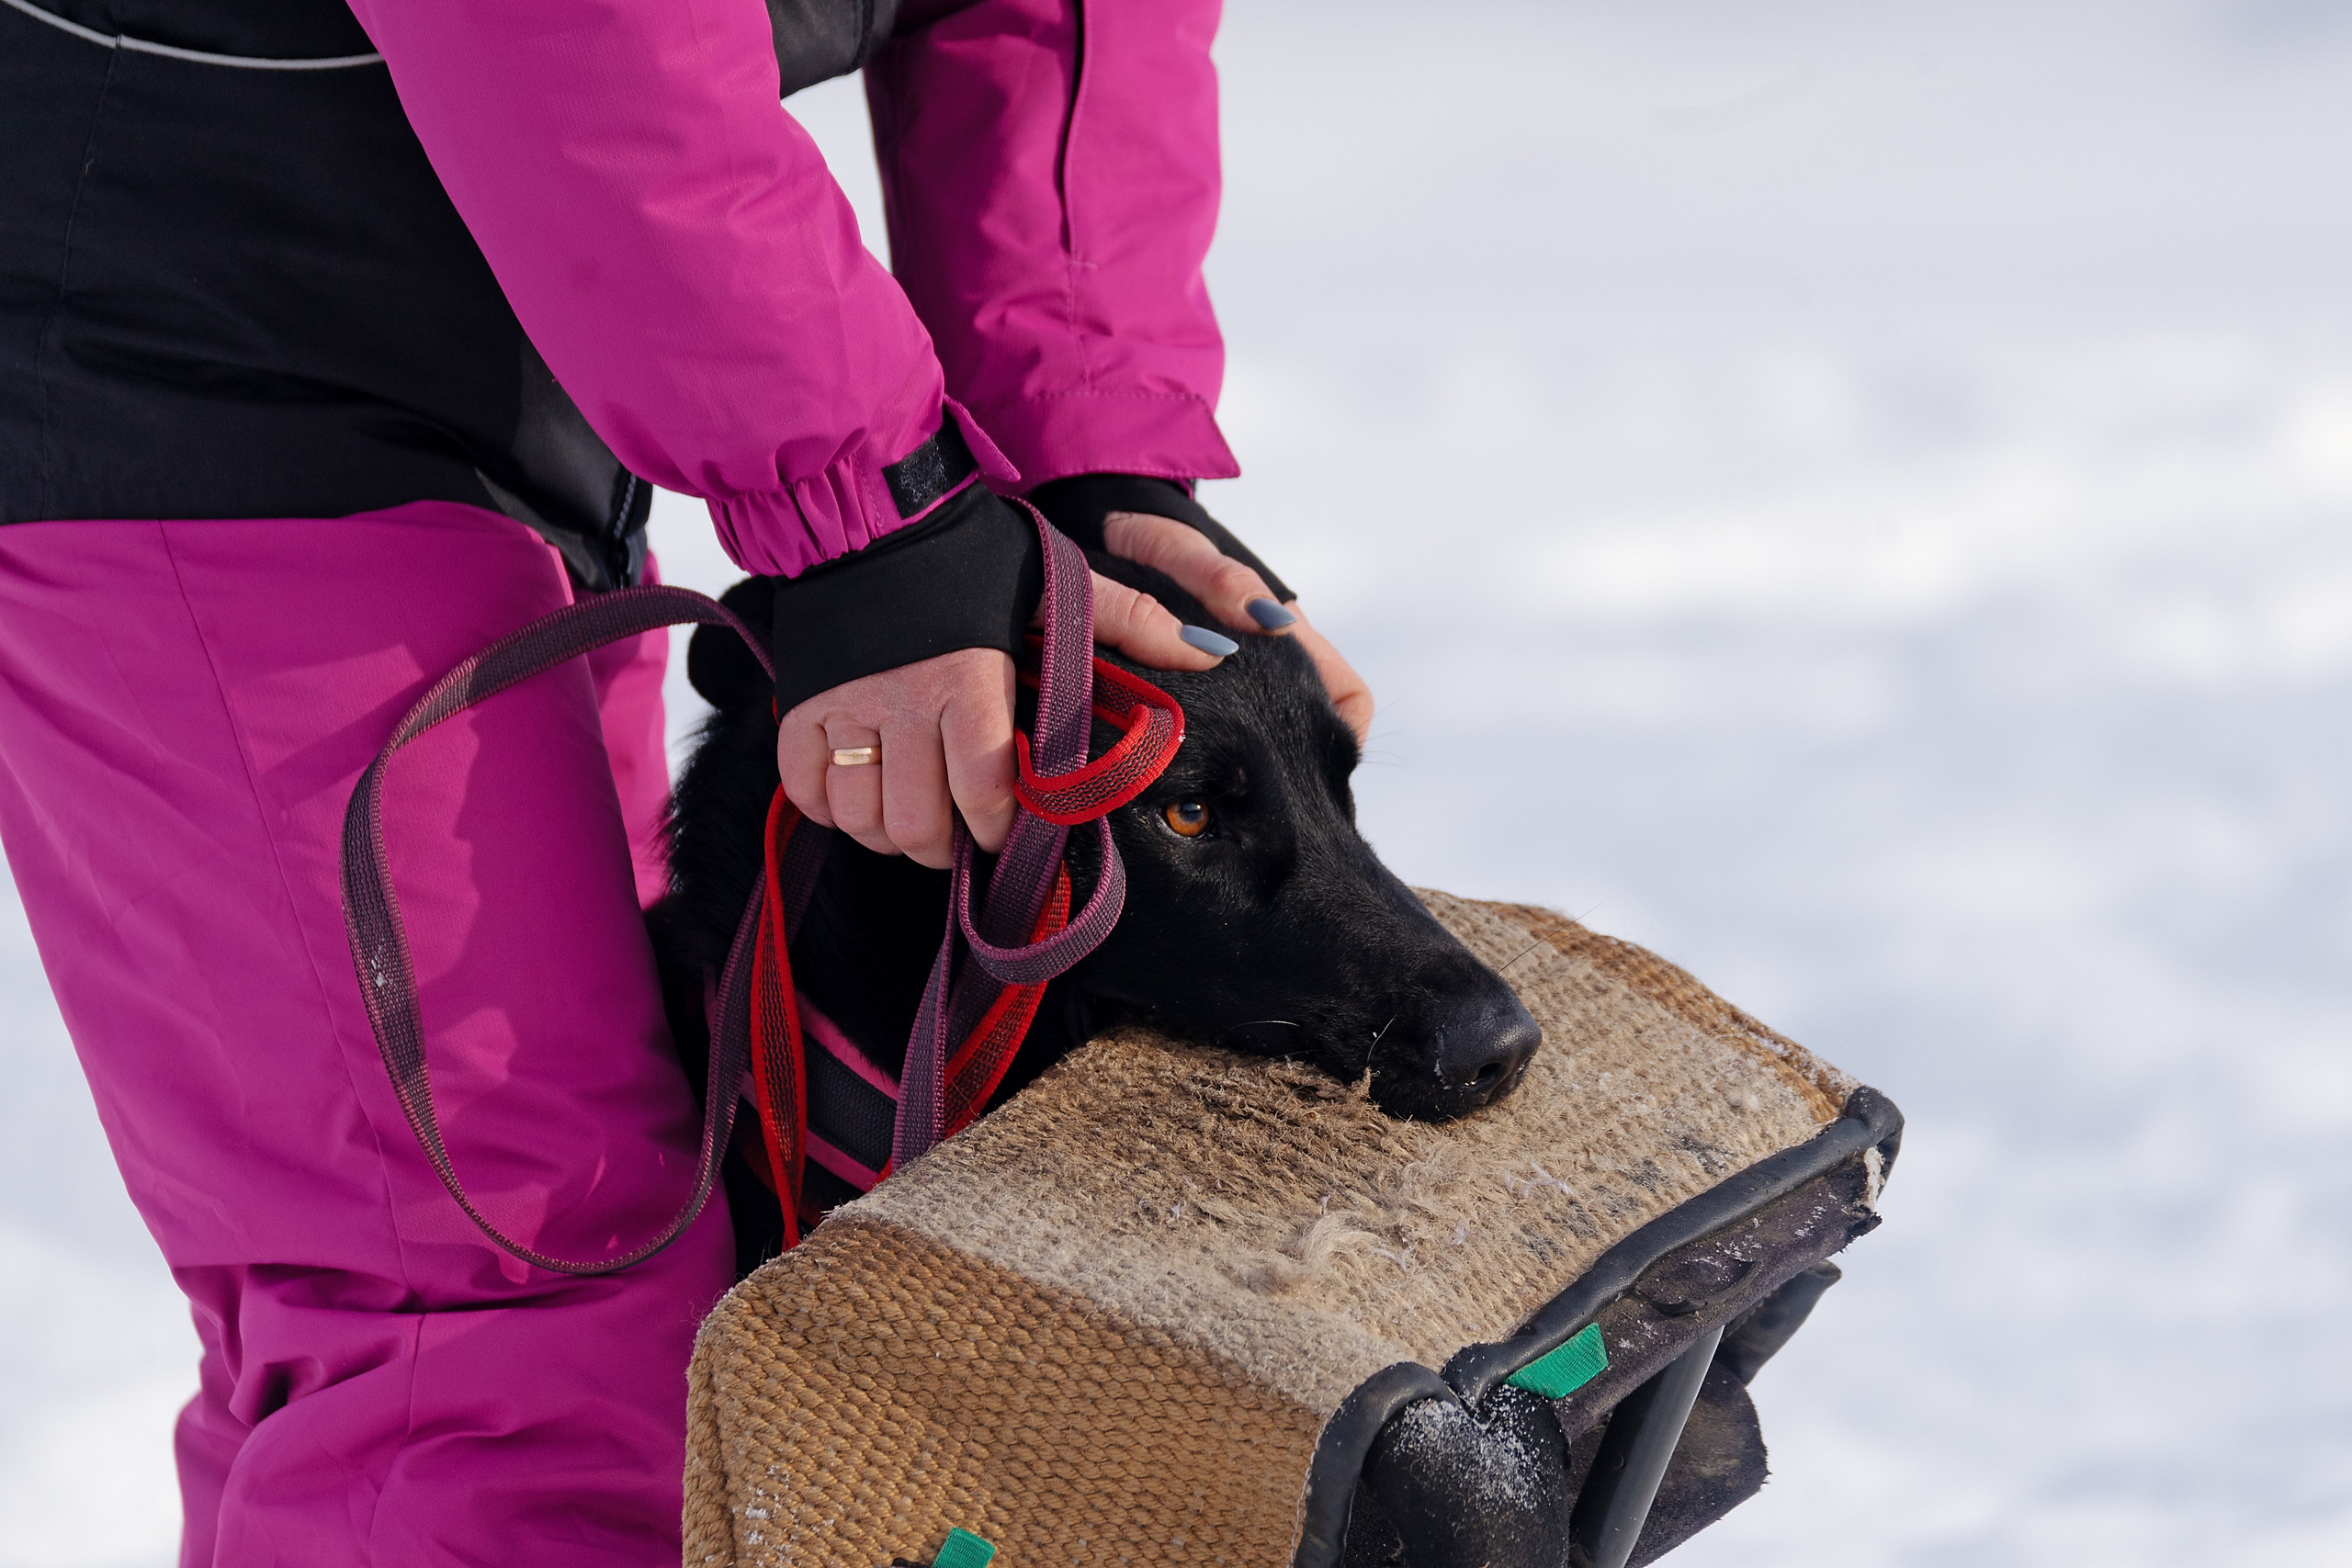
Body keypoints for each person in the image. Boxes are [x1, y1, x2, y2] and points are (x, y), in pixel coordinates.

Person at [0, 1, 1371, 1562]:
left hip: (544, 381)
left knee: (534, 1265)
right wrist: (878, 509)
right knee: (488, 1323)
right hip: (200, 355)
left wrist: (1078, 448)